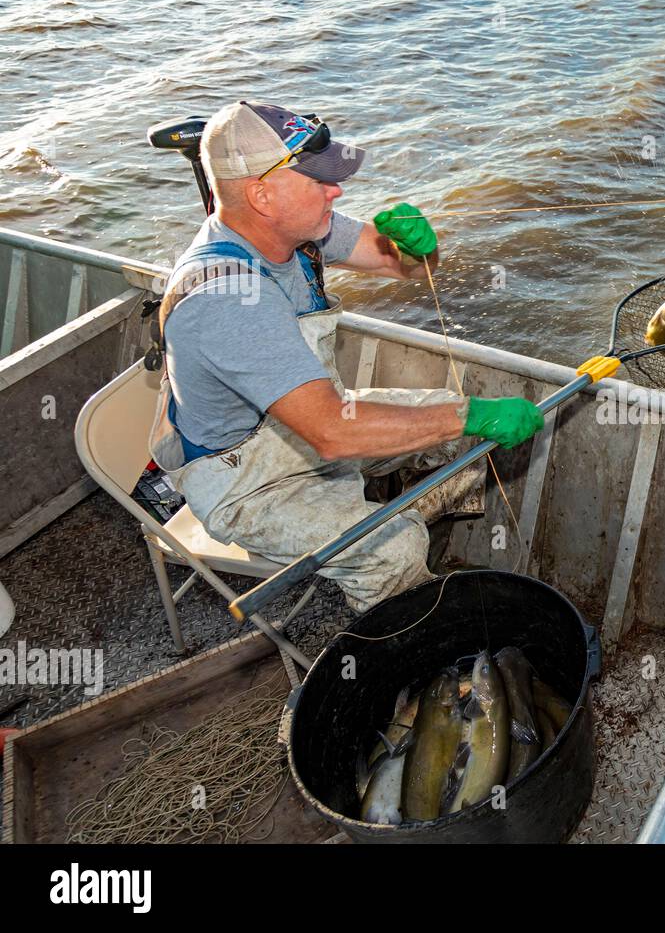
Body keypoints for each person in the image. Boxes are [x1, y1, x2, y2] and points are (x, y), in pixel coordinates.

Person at [146, 100, 542, 612]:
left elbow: (406, 270)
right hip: (247, 483)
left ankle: (390, 529)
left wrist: (420, 248)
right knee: (394, 547)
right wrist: (471, 413)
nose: (337, 190)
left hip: (309, 426)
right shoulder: (225, 300)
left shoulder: (300, 232)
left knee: (461, 438)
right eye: (319, 180)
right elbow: (332, 434)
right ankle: (394, 624)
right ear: (262, 193)